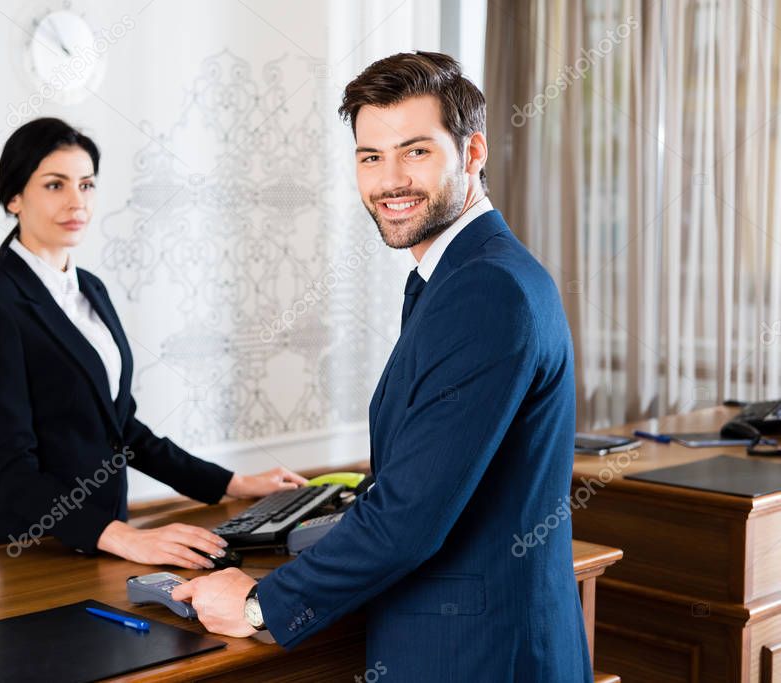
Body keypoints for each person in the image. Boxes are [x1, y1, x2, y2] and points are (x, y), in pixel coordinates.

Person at [172, 52, 592, 681]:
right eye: (371, 157)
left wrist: (261, 604)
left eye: (416, 151)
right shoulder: (462, 274)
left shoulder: (487, 291)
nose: (390, 180)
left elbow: (409, 522)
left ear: (473, 152)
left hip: (475, 654)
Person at [0, 117, 305, 568]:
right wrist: (124, 537)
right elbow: (14, 474)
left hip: (101, 542)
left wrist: (235, 483)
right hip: (32, 549)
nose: (76, 201)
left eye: (86, 185)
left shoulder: (92, 290)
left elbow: (123, 431)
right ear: (14, 198)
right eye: (54, 185)